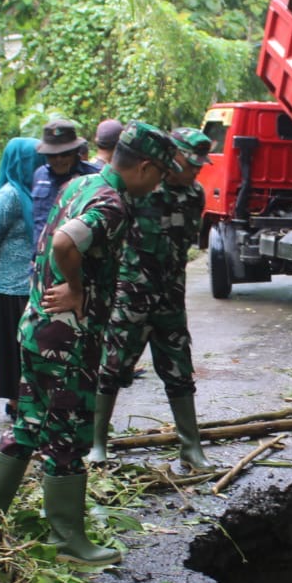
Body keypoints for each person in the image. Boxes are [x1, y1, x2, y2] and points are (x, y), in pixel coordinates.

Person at [0, 122, 183, 565]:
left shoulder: (81, 183)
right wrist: (77, 288)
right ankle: (68, 539)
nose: (160, 184)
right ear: (145, 167)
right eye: (160, 174)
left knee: (27, 426)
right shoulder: (111, 204)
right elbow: (64, 241)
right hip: (69, 339)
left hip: (38, 328)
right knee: (67, 438)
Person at [89, 127, 213, 472]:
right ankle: (97, 443)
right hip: (131, 295)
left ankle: (191, 447)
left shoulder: (194, 195)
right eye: (192, 165)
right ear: (172, 161)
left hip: (171, 296)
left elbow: (184, 245)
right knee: (111, 368)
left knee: (179, 371)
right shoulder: (138, 189)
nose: (196, 172)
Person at [0, 137, 39, 421]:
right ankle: (17, 400)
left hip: (18, 286)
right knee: (16, 346)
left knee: (20, 345)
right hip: (13, 286)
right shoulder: (14, 195)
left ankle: (22, 399)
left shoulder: (24, 192)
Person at [29, 119, 97, 247]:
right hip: (41, 259)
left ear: (76, 152)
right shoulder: (40, 175)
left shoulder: (94, 176)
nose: (58, 159)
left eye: (65, 154)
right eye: (52, 155)